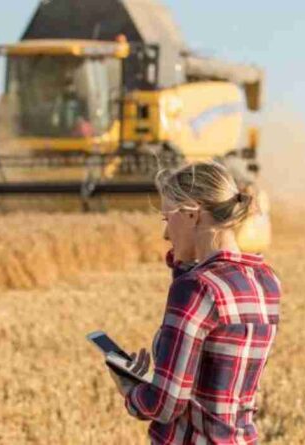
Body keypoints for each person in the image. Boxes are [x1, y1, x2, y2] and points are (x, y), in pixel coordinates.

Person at [109, 161, 282, 444]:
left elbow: (166, 404)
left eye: (167, 219)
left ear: (192, 214)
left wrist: (131, 391)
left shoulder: (196, 289)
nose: (166, 234)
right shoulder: (267, 281)